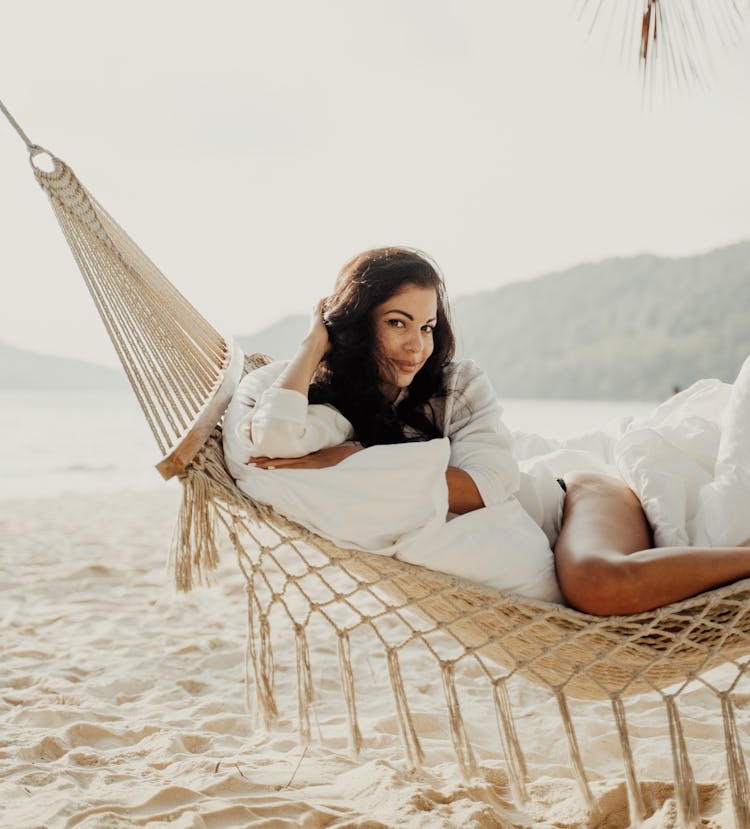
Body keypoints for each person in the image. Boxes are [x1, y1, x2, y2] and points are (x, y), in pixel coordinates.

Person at [222, 246, 750, 616]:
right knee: (596, 581)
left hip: (576, 495)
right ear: (356, 323)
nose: (417, 345)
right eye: (397, 322)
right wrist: (314, 345)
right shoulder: (324, 399)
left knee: (597, 583)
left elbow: (489, 483)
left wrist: (349, 460)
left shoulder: (458, 383)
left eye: (426, 326)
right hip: (553, 529)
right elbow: (272, 443)